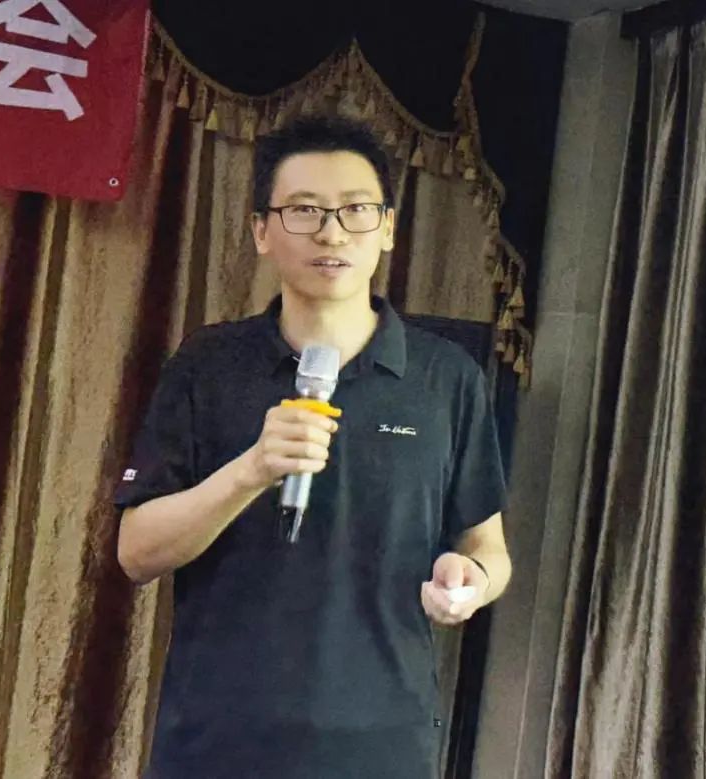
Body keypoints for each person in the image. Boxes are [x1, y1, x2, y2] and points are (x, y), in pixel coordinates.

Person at [114, 115, 512, 779]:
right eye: (303, 211)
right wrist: (250, 469)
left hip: (381, 743)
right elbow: (136, 553)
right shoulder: (208, 365)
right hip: (218, 739)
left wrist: (469, 581)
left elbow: (488, 549)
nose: (332, 232)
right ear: (261, 231)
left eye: (356, 209)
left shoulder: (446, 378)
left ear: (387, 227)